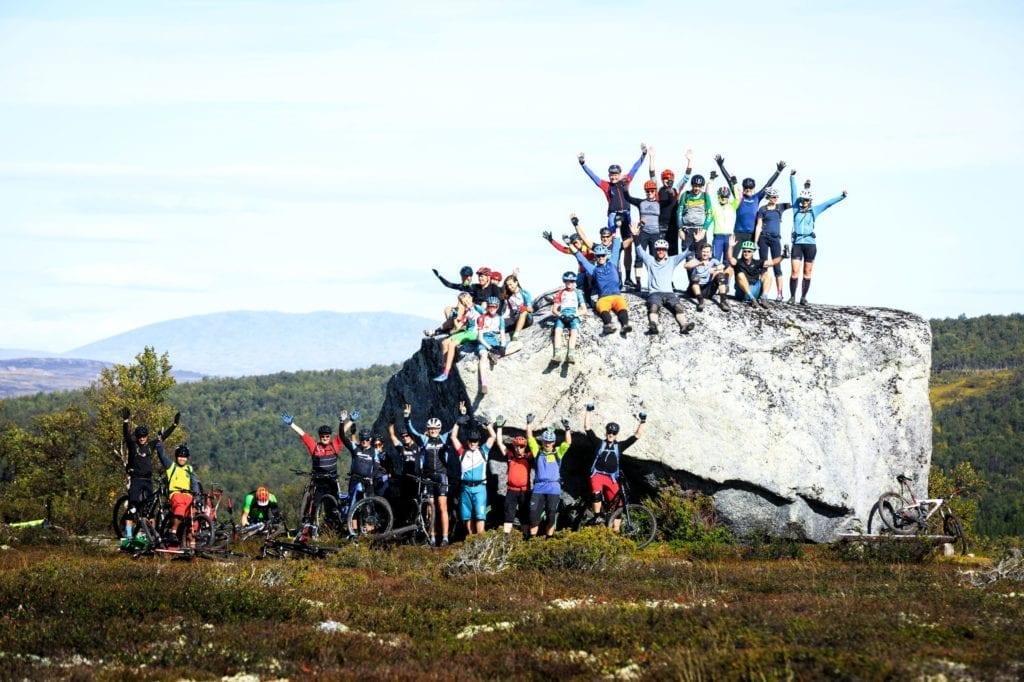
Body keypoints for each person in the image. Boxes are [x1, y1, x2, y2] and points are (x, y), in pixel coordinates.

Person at [578, 144, 647, 286]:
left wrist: (643, 155)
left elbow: (635, 168)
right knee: (613, 245)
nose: (614, 177)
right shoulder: (606, 185)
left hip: (626, 214)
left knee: (628, 247)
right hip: (614, 215)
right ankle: (616, 275)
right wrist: (583, 164)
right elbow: (593, 177)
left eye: (616, 174)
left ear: (620, 174)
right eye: (611, 175)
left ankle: (628, 277)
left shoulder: (626, 180)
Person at [120, 408, 179, 549]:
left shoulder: (150, 446)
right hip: (136, 479)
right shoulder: (133, 445)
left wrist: (174, 425)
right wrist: (125, 421)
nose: (142, 438)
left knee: (150, 509)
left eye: (144, 436)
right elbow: (126, 435)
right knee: (133, 508)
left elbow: (163, 437)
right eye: (140, 436)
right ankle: (128, 536)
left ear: (147, 436)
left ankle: (150, 536)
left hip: (148, 480)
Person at [281, 410, 345, 539]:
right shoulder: (315, 447)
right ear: (320, 437)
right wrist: (291, 424)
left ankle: (333, 531)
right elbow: (303, 434)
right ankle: (310, 530)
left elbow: (343, 434)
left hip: (332, 483)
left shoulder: (334, 446)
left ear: (330, 436)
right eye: (323, 436)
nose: (325, 438)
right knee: (315, 506)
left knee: (333, 508)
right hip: (319, 483)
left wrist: (346, 421)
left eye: (327, 436)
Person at [788, 170, 848, 305]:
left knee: (807, 272)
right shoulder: (796, 209)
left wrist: (842, 196)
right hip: (797, 243)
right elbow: (793, 192)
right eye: (802, 201)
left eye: (806, 201)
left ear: (810, 202)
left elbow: (828, 203)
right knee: (794, 271)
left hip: (810, 244)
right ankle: (792, 297)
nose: (803, 203)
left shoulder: (814, 210)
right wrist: (792, 177)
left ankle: (803, 298)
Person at [583, 403, 646, 528]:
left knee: (619, 505)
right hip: (597, 474)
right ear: (606, 432)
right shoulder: (599, 443)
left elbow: (637, 436)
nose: (611, 434)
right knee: (596, 492)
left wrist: (643, 421)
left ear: (616, 434)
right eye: (609, 432)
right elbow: (587, 428)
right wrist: (588, 411)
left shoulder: (620, 446)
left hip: (611, 478)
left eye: (613, 432)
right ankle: (597, 516)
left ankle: (615, 532)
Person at [714, 155, 784, 259]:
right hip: (738, 233)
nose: (748, 189)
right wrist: (721, 166)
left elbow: (768, 184)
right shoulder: (739, 197)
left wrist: (778, 171)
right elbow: (730, 182)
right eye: (746, 187)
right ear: (743, 188)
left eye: (750, 187)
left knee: (747, 260)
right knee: (731, 259)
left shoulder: (757, 197)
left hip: (751, 234)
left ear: (754, 188)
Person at [629, 227, 695, 334]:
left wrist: (694, 241)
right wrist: (635, 236)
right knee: (654, 307)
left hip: (669, 293)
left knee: (678, 307)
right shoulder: (650, 260)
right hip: (654, 293)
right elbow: (639, 251)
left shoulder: (672, 260)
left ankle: (684, 325)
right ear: (655, 250)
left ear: (666, 251)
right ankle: (653, 325)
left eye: (663, 249)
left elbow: (687, 253)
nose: (661, 251)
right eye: (659, 249)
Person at [405, 405, 453, 546]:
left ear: (439, 429)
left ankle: (445, 538)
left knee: (442, 507)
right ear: (428, 429)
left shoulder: (444, 438)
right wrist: (407, 418)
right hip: (428, 476)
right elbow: (412, 432)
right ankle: (432, 537)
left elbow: (454, 430)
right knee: (430, 509)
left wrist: (461, 417)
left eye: (435, 429)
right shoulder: (424, 440)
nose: (433, 431)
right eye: (431, 429)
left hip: (442, 476)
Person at [571, 231, 634, 336]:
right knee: (602, 309)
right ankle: (609, 325)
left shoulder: (612, 263)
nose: (601, 258)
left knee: (622, 308)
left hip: (616, 295)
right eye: (598, 256)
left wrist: (618, 228)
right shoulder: (594, 269)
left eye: (603, 255)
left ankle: (625, 325)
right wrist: (569, 244)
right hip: (603, 298)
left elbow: (617, 244)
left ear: (606, 256)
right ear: (595, 257)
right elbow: (581, 258)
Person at [449, 407, 496, 537]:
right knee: (467, 517)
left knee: (480, 517)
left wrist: (487, 424)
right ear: (468, 441)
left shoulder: (483, 451)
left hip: (480, 488)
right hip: (465, 488)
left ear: (478, 442)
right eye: (471, 441)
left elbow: (493, 436)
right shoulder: (462, 453)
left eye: (475, 441)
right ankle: (470, 541)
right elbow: (453, 437)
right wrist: (457, 423)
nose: (473, 443)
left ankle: (480, 542)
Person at [526, 416, 571, 539]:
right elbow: (530, 439)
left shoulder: (557, 452)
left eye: (550, 441)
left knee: (551, 514)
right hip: (539, 487)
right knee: (533, 514)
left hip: (553, 488)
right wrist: (529, 423)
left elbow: (568, 443)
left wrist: (567, 428)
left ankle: (549, 540)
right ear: (542, 441)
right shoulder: (537, 451)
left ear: (554, 442)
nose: (547, 443)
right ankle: (531, 542)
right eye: (545, 441)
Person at [626, 178, 676, 290]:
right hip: (643, 232)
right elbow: (628, 198)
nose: (650, 193)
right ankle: (638, 282)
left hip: (655, 233)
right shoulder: (641, 203)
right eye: (647, 191)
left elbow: (671, 201)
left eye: (652, 191)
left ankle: (655, 281)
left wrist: (669, 189)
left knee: (656, 258)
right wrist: (625, 187)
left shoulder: (659, 203)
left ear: (655, 191)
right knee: (639, 256)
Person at [648, 146, 693, 256]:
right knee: (657, 253)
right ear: (662, 180)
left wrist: (690, 160)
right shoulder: (658, 189)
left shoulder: (676, 189)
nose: (668, 181)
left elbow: (686, 177)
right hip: (660, 225)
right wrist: (651, 157)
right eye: (665, 179)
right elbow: (652, 173)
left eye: (670, 179)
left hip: (673, 225)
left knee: (672, 254)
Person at [492, 419, 532, 538]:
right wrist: (499, 427)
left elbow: (533, 443)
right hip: (511, 490)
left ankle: (526, 537)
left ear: (525, 447)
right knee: (509, 515)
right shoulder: (510, 456)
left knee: (525, 515)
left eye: (521, 446)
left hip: (524, 491)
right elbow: (499, 443)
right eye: (516, 446)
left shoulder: (529, 457)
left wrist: (529, 424)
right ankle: (506, 539)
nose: (518, 448)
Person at [157, 443, 201, 546]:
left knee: (193, 519)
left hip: (188, 495)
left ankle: (192, 548)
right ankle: (172, 532)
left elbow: (194, 483)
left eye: (184, 457)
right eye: (180, 456)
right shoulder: (171, 466)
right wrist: (159, 444)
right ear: (176, 457)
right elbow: (162, 456)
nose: (182, 459)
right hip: (176, 493)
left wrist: (197, 498)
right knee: (180, 510)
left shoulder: (189, 469)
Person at [754, 187, 792, 301]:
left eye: (776, 197)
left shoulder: (780, 207)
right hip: (763, 238)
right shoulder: (762, 209)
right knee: (764, 265)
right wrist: (755, 242)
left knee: (777, 266)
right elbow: (759, 225)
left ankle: (780, 294)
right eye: (773, 197)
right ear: (768, 197)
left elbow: (795, 203)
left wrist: (806, 187)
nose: (775, 199)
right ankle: (763, 293)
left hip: (775, 239)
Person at [433, 291, 480, 382]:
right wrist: (454, 318)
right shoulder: (467, 313)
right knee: (444, 342)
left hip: (474, 333)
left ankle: (446, 372)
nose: (466, 303)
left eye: (467, 300)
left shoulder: (477, 308)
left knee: (452, 344)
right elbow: (457, 327)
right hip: (467, 332)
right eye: (463, 302)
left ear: (471, 298)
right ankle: (444, 369)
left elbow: (486, 314)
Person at [726, 236, 784, 308]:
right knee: (740, 275)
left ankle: (764, 297)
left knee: (767, 274)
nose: (746, 253)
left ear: (753, 252)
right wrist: (730, 246)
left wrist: (783, 256)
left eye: (749, 251)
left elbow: (772, 262)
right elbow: (730, 258)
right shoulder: (738, 262)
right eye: (744, 251)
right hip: (742, 292)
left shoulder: (757, 262)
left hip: (755, 290)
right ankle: (752, 299)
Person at [388, 415, 422, 526]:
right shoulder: (402, 447)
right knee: (404, 502)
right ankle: (405, 524)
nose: (405, 437)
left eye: (407, 435)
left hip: (416, 479)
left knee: (416, 501)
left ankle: (416, 521)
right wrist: (391, 424)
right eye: (403, 436)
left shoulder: (418, 447)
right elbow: (392, 436)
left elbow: (422, 436)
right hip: (405, 479)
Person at [550, 271, 586, 364]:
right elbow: (554, 309)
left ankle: (570, 355)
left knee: (573, 331)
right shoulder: (560, 293)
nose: (569, 283)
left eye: (571, 281)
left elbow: (584, 310)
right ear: (564, 281)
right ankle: (557, 354)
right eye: (567, 281)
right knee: (557, 330)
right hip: (562, 314)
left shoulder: (578, 293)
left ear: (574, 282)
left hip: (573, 314)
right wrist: (560, 315)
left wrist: (574, 315)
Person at [684, 242, 730, 312]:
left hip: (707, 289)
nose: (705, 254)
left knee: (720, 275)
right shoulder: (696, 260)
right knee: (695, 277)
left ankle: (723, 301)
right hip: (696, 289)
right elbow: (686, 266)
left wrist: (714, 268)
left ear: (710, 252)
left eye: (707, 252)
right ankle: (700, 301)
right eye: (703, 251)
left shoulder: (713, 260)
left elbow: (722, 266)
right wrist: (699, 263)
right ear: (701, 252)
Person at [676, 172, 714, 255]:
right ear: (692, 185)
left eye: (699, 186)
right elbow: (679, 212)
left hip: (700, 230)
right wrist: (680, 229)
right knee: (688, 258)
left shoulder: (705, 196)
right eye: (695, 186)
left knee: (701, 257)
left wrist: (704, 231)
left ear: (702, 187)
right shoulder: (685, 195)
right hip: (687, 230)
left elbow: (710, 214)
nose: (696, 188)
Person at [474, 296, 506, 394]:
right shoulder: (481, 318)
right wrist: (490, 348)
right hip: (484, 340)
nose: (492, 308)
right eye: (490, 306)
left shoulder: (500, 319)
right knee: (483, 356)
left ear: (497, 307)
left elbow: (502, 335)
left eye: (494, 307)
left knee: (518, 344)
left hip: (494, 340)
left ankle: (494, 355)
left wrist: (502, 347)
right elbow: (479, 338)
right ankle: (484, 384)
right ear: (487, 307)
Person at [500, 274, 533, 343]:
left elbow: (531, 309)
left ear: (516, 282)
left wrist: (524, 308)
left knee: (524, 311)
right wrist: (500, 319)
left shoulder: (525, 293)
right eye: (508, 285)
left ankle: (516, 335)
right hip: (514, 318)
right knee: (498, 321)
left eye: (511, 284)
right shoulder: (508, 297)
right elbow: (507, 312)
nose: (509, 287)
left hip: (526, 318)